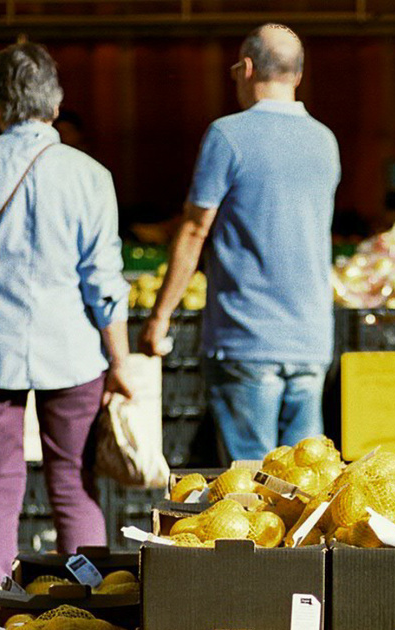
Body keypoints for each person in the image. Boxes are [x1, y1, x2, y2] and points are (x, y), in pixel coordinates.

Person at [0, 42, 132, 602]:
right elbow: (103, 281)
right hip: (73, 350)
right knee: (73, 484)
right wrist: (121, 359)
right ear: (56, 100)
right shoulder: (91, 175)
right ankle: (88, 612)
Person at [137, 23, 341, 463]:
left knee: (250, 490)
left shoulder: (228, 135)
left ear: (246, 69)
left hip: (246, 339)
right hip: (310, 340)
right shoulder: (325, 141)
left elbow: (194, 230)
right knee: (305, 486)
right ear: (298, 75)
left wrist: (160, 317)